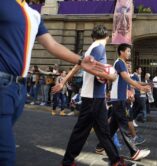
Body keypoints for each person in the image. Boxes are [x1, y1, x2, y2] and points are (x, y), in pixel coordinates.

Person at [0, 1, 104, 165]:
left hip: (18, 90)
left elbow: (52, 44)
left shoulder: (34, 14)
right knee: (5, 154)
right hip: (2, 84)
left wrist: (81, 60)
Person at [53, 25, 135, 166]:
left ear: (93, 36)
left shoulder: (91, 47)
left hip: (93, 97)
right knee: (84, 131)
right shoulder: (99, 48)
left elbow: (78, 66)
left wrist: (64, 82)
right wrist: (112, 76)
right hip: (94, 98)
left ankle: (115, 160)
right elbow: (93, 71)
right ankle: (68, 161)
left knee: (102, 131)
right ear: (107, 36)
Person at [96, 43, 151, 161]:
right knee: (124, 126)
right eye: (128, 51)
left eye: (130, 51)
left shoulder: (122, 64)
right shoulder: (120, 63)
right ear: (121, 52)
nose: (129, 53)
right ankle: (134, 152)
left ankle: (100, 147)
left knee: (112, 127)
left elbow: (128, 80)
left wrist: (144, 84)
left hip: (119, 99)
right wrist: (141, 88)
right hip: (119, 100)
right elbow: (126, 78)